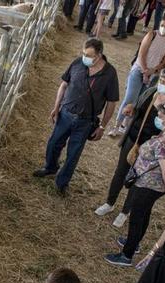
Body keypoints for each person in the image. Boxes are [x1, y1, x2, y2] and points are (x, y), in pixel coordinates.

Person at [97, 67, 165, 228]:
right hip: (133, 139)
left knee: (137, 180)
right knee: (120, 172)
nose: (161, 84)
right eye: (160, 80)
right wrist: (131, 109)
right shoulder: (152, 92)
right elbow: (137, 107)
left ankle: (125, 212)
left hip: (150, 149)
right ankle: (109, 203)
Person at [34, 38, 119, 195]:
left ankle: (62, 182)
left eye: (88, 55)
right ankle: (50, 167)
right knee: (53, 143)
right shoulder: (78, 63)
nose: (84, 57)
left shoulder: (110, 74)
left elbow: (111, 102)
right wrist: (56, 107)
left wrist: (102, 127)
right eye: (83, 53)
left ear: (99, 55)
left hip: (85, 121)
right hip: (66, 113)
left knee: (73, 153)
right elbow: (64, 84)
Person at [104, 101, 165, 266]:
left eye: (160, 116)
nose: (157, 118)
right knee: (144, 213)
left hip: (149, 185)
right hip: (153, 185)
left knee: (137, 217)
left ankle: (126, 255)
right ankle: (135, 243)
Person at [108, 14, 165, 136]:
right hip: (139, 70)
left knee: (140, 101)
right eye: (162, 25)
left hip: (153, 75)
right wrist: (145, 70)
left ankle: (126, 124)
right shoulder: (151, 35)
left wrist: (153, 71)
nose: (163, 28)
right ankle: (116, 125)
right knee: (130, 98)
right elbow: (142, 53)